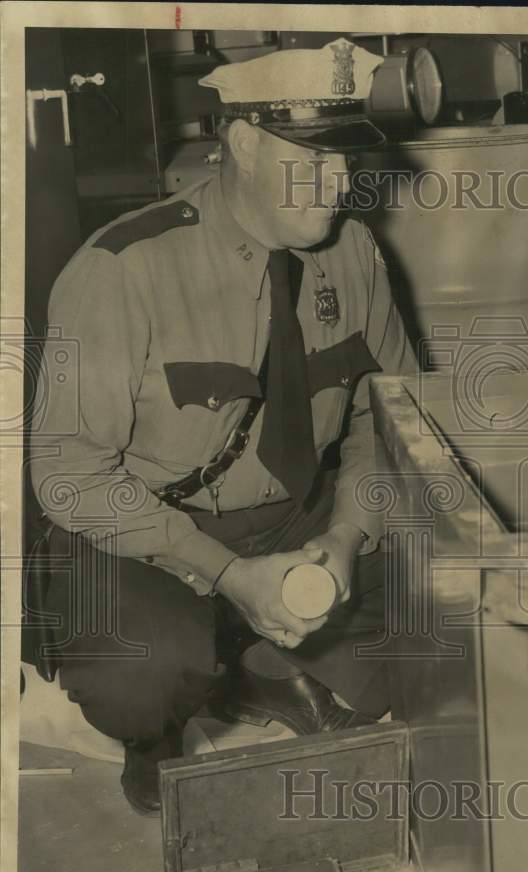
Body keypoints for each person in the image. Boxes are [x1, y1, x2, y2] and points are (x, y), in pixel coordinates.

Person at [30, 39, 417, 815]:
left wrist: (345, 536)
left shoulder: (356, 254)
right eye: (311, 160)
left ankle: (268, 665)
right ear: (240, 144)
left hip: (294, 517)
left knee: (449, 599)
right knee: (145, 672)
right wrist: (224, 573)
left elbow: (394, 416)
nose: (338, 186)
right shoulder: (122, 270)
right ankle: (159, 735)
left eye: (345, 159)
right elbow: (68, 475)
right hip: (153, 534)